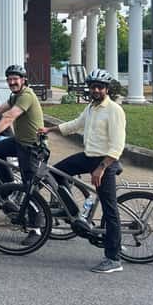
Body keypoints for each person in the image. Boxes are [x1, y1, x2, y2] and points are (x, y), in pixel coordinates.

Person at [41, 68, 126, 274]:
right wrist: (49, 130)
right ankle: (72, 210)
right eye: (92, 87)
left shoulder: (114, 110)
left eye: (99, 87)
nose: (95, 90)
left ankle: (113, 258)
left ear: (106, 89)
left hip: (106, 161)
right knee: (54, 172)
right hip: (89, 156)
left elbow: (117, 145)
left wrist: (101, 168)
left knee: (110, 209)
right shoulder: (91, 107)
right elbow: (75, 125)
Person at [0, 64, 44, 237]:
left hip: (32, 147)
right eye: (9, 79)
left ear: (23, 80)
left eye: (15, 79)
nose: (12, 82)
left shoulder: (26, 95)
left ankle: (36, 228)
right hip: (19, 142)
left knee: (29, 187)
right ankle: (9, 188)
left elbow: (9, 117)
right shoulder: (16, 95)